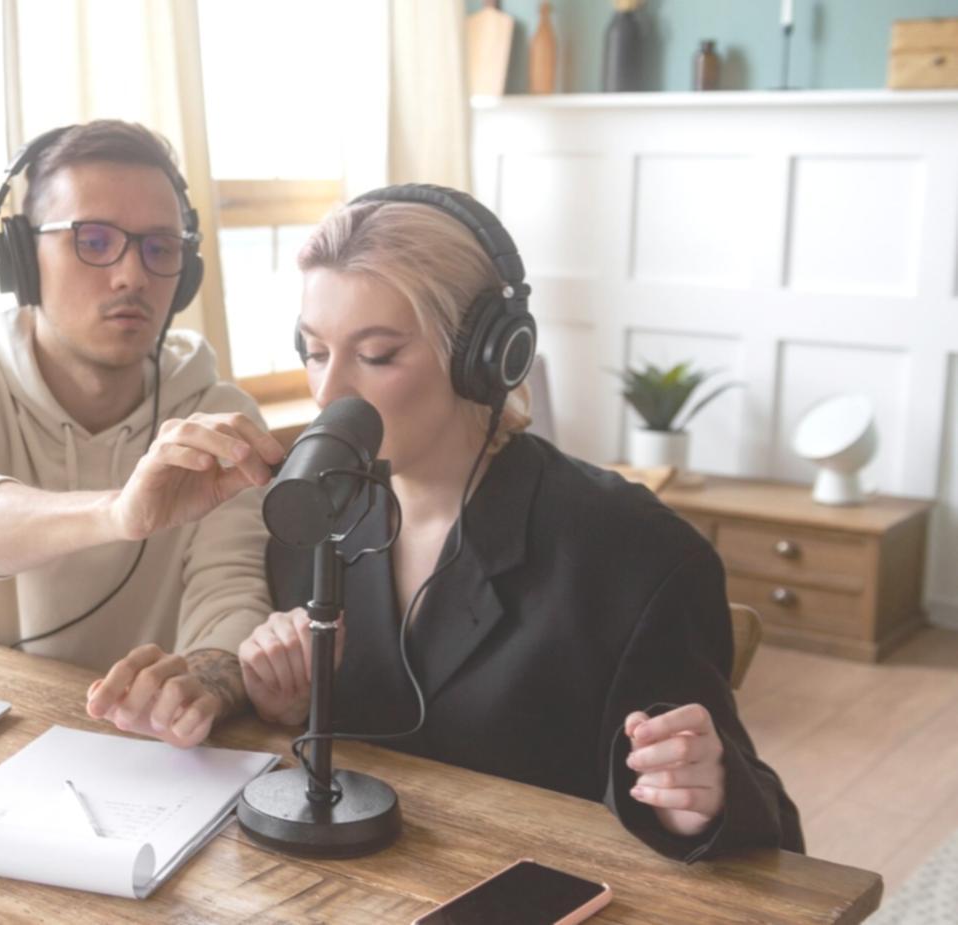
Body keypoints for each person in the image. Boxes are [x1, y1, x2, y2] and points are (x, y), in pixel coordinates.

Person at [179, 184, 799, 861]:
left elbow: (769, 834)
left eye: (378, 354)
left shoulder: (635, 555)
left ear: (485, 358)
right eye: (316, 350)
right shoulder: (316, 511)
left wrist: (697, 800)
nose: (328, 392)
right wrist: (286, 706)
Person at [0, 121, 282, 744]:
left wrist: (199, 685)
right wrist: (116, 513)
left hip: (142, 754)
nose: (132, 277)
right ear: (21, 258)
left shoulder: (213, 415)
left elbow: (231, 597)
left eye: (159, 248)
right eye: (93, 240)